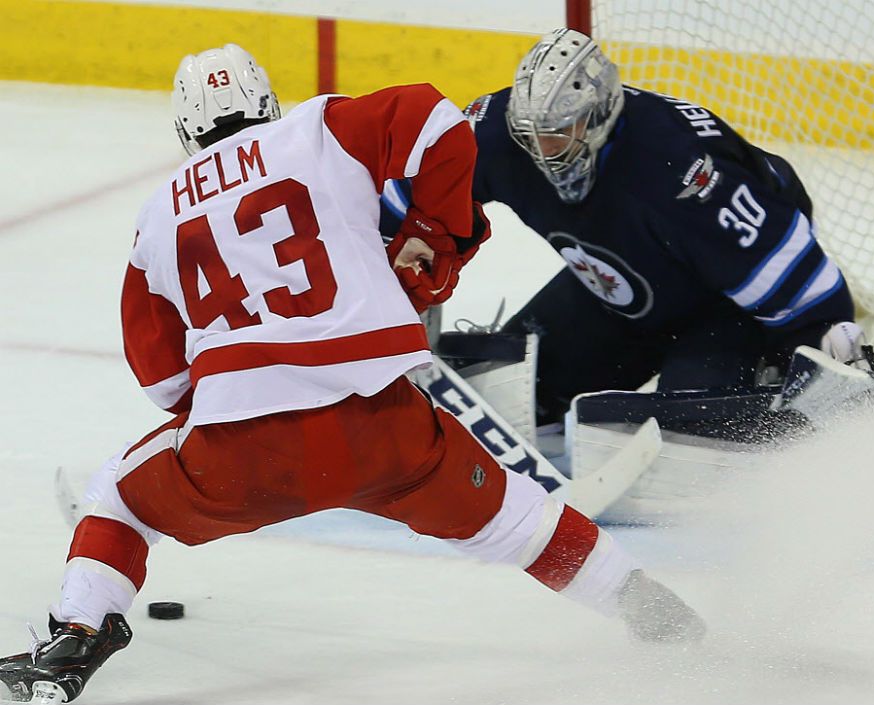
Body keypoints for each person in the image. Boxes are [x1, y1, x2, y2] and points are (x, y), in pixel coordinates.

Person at [0, 44, 704, 704]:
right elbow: (437, 121)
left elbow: (159, 377)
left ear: (186, 129)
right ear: (267, 103)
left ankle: (77, 640)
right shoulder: (316, 129)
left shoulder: (158, 214)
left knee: (116, 497)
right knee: (517, 519)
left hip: (241, 454)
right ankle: (648, 607)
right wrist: (433, 231)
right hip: (386, 430)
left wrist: (231, 408)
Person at [380, 28, 866, 424]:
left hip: (718, 310)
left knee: (693, 426)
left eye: (559, 134)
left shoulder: (679, 169)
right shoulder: (494, 136)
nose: (542, 150)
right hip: (613, 295)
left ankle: (760, 377)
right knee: (505, 396)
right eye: (532, 136)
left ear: (598, 118)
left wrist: (815, 366)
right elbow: (401, 208)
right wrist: (388, 285)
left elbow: (806, 295)